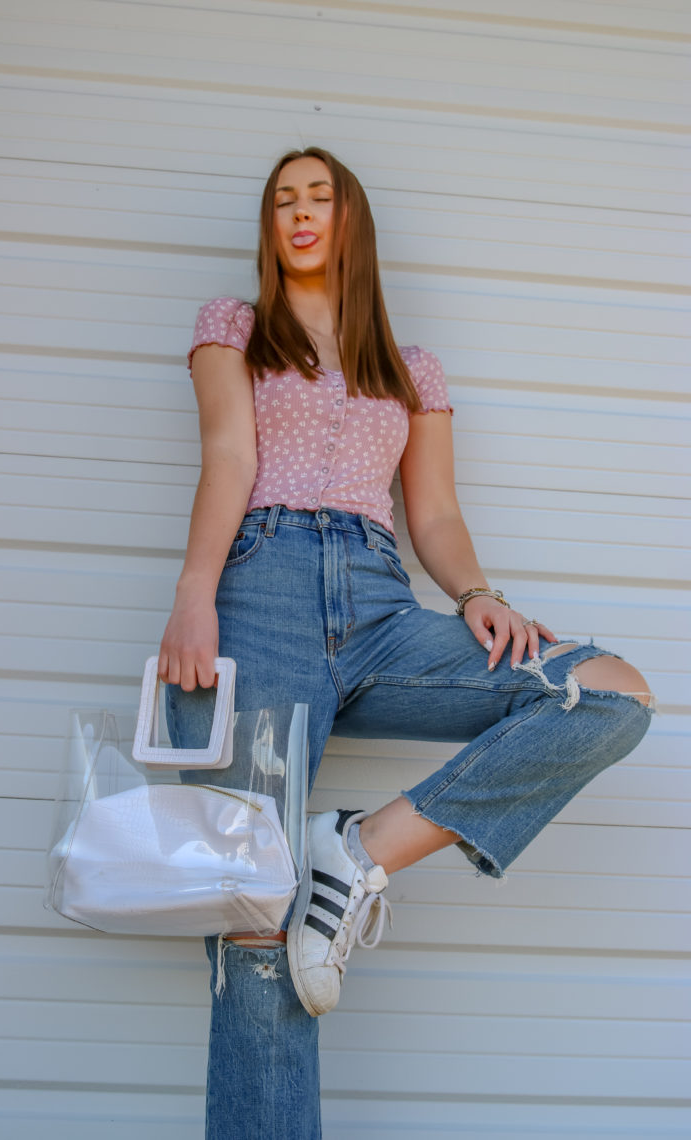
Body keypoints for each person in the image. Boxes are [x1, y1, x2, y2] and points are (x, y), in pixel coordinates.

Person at [158, 147, 654, 1139]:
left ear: (352, 221)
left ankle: (354, 852)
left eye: (320, 198)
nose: (300, 214)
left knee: (607, 695)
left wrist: (477, 595)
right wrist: (194, 597)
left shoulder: (407, 367)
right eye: (283, 201)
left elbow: (431, 513)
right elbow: (227, 457)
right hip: (258, 591)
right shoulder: (236, 330)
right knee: (258, 924)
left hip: (381, 607)